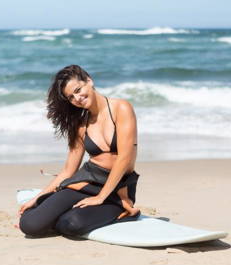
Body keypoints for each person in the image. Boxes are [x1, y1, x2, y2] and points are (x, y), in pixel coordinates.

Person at [18, 65, 140, 237]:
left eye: (78, 89)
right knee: (29, 224)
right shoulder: (81, 125)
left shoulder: (121, 108)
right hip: (85, 181)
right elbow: (69, 170)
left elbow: (124, 158)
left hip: (117, 189)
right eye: (71, 97)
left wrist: (100, 197)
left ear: (89, 81)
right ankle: (51, 206)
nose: (77, 98)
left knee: (70, 224)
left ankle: (124, 212)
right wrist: (38, 197)